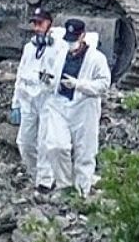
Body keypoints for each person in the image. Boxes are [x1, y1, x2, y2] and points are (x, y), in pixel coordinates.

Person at [37, 17, 112, 193]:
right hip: (59, 104)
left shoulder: (96, 58)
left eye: (74, 40)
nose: (71, 44)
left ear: (83, 36)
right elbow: (49, 73)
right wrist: (46, 80)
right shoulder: (60, 54)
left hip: (84, 107)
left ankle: (81, 192)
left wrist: (79, 85)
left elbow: (103, 84)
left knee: (85, 151)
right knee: (56, 146)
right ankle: (64, 186)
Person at [11, 7, 61, 183]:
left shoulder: (58, 47)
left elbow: (59, 74)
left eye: (40, 23)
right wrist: (15, 102)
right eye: (35, 23)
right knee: (24, 142)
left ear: (49, 24)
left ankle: (45, 181)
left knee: (44, 140)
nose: (37, 27)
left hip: (47, 97)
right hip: (28, 98)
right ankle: (34, 174)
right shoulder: (29, 48)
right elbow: (20, 73)